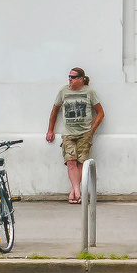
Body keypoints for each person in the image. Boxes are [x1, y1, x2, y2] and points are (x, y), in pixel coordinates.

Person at [46, 67, 103, 203]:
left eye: (73, 77)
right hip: (68, 134)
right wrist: (50, 130)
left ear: (81, 79)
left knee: (81, 162)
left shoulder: (90, 92)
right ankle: (78, 192)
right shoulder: (63, 91)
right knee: (71, 161)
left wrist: (92, 130)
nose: (70, 79)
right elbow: (55, 111)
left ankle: (74, 193)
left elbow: (100, 113)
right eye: (69, 77)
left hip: (84, 133)